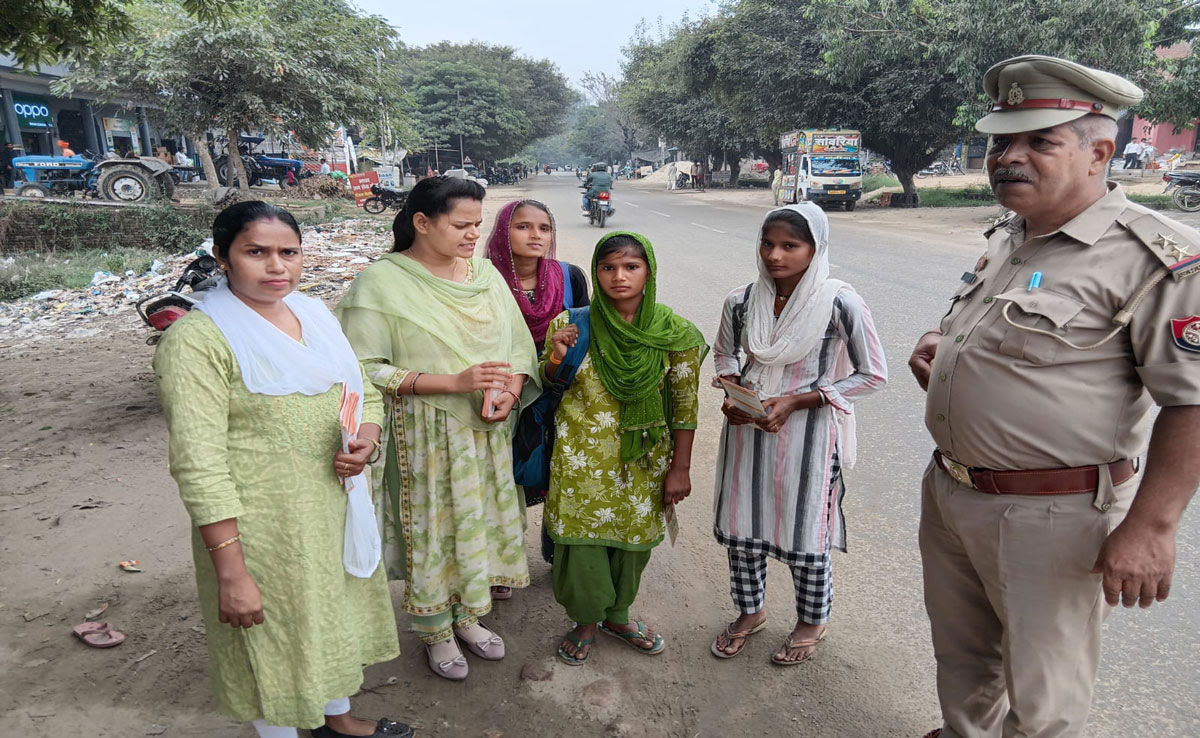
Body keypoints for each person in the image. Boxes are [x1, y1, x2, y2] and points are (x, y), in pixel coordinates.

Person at [908, 55, 1200, 738]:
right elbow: (992, 331)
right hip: (953, 495)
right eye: (1001, 141)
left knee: (1044, 698)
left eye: (1039, 141)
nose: (1010, 156)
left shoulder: (1152, 259)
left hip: (1052, 516)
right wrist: (943, 346)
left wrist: (1153, 527)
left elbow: (1192, 400)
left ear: (1101, 151)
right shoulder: (1012, 236)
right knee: (964, 662)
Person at [154, 201, 409, 738]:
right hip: (260, 531)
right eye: (256, 252)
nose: (277, 267)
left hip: (330, 510)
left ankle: (336, 718)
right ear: (222, 258)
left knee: (326, 621)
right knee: (274, 637)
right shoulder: (197, 342)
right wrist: (232, 571)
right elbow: (198, 464)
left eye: (288, 252)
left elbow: (360, 392)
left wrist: (367, 438)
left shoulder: (314, 315)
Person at [337, 176, 540, 682]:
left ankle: (468, 618)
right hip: (422, 434)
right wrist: (452, 382)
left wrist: (511, 392)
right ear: (423, 222)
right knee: (433, 529)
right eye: (461, 224)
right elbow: (362, 368)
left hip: (486, 432)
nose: (474, 234)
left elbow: (518, 348)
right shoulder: (380, 284)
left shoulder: (487, 276)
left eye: (477, 223)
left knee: (478, 523)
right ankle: (435, 631)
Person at [710, 203, 887, 665]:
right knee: (742, 523)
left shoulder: (839, 302)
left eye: (791, 245)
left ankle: (811, 620)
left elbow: (872, 374)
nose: (775, 255)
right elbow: (725, 355)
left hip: (809, 436)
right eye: (768, 244)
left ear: (816, 248)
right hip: (747, 432)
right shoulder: (741, 301)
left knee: (807, 528)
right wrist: (733, 396)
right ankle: (750, 612)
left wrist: (797, 401)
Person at [547, 232, 708, 666]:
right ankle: (584, 620)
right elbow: (548, 385)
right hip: (581, 458)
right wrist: (556, 356)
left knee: (633, 543)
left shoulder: (675, 334)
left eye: (631, 267)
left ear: (649, 272)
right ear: (596, 273)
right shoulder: (571, 324)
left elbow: (685, 408)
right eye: (608, 267)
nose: (619, 277)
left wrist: (681, 468)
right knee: (581, 544)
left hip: (644, 460)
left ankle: (617, 616)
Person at [484, 199, 590, 573]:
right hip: (499, 393)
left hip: (556, 390)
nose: (535, 235)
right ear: (503, 231)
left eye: (544, 228)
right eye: (523, 226)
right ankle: (498, 561)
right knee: (499, 476)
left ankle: (557, 548)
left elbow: (585, 331)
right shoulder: (482, 279)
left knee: (559, 469)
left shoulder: (569, 276)